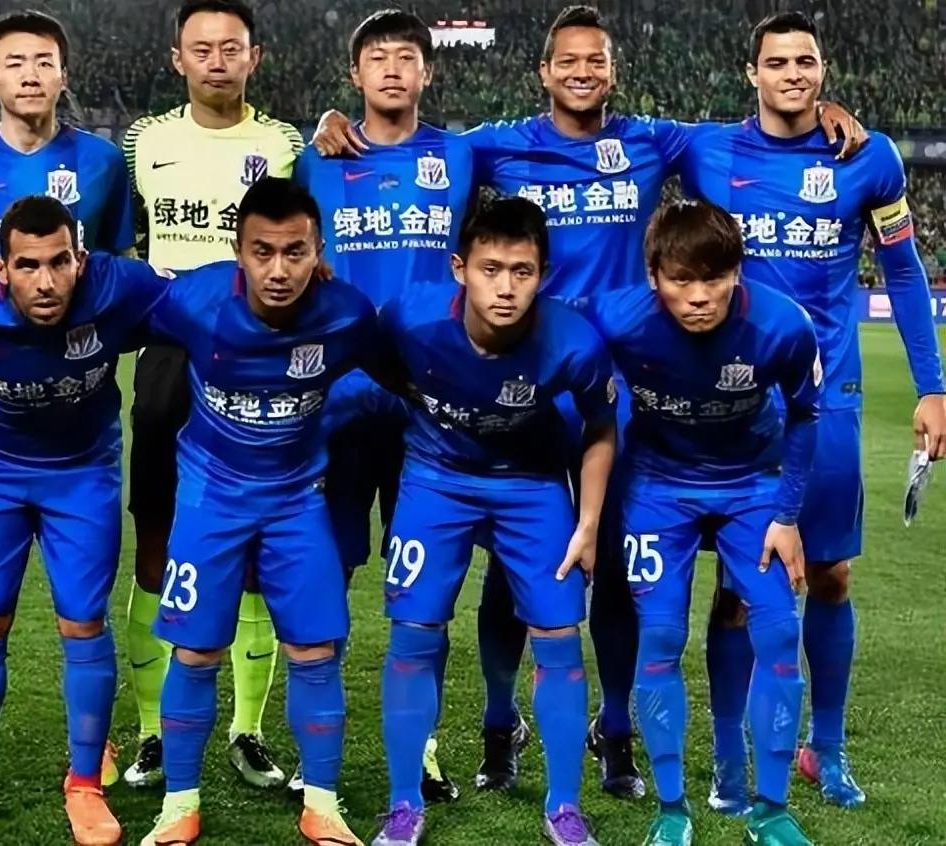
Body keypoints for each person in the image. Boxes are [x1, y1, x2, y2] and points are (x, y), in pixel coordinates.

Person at [312, 4, 865, 801]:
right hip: (531, 380)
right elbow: (409, 141)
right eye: (567, 60)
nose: (581, 72)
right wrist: (335, 123)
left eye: (595, 60)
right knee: (518, 563)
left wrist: (821, 115)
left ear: (613, 70)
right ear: (543, 72)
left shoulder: (654, 142)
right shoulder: (495, 145)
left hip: (621, 389)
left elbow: (750, 130)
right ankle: (499, 723)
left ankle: (614, 729)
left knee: (612, 565)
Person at [678, 11, 946, 810]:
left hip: (830, 398)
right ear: (751, 73)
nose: (793, 74)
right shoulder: (706, 150)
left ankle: (824, 750)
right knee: (738, 584)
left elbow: (904, 273)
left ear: (823, 70)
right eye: (777, 62)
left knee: (830, 574)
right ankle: (728, 758)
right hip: (734, 400)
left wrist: (933, 386)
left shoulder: (869, 158)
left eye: (806, 61)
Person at [0, 197, 165, 845]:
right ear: (1, 269)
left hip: (82, 476)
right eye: (27, 265)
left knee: (83, 622)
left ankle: (85, 785)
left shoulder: (120, 287)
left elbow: (204, 302)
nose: (45, 282)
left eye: (59, 263)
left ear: (81, 259)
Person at [0, 9, 137, 789]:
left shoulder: (103, 162)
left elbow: (113, 269)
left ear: (63, 73)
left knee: (84, 605)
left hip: (79, 406)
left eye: (44, 61)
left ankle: (91, 742)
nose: (30, 75)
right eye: (14, 62)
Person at [371, 198, 613, 846]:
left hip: (531, 484)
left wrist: (588, 522)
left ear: (544, 275)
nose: (505, 287)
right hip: (435, 477)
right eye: (490, 269)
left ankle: (565, 809)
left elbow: (600, 428)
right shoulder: (411, 318)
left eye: (522, 271)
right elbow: (376, 368)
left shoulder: (574, 342)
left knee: (559, 636)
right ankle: (403, 805)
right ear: (460, 268)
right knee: (413, 632)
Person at [138, 178, 371, 846]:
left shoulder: (347, 314)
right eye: (262, 252)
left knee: (314, 647)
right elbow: (114, 311)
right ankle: (179, 804)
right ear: (238, 252)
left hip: (298, 498)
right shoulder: (195, 299)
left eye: (295, 252)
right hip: (210, 496)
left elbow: (401, 369)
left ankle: (321, 803)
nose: (278, 270)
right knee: (196, 649)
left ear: (319, 253)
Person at [583, 200, 819, 846]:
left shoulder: (782, 326)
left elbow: (805, 416)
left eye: (713, 279)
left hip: (752, 486)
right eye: (680, 280)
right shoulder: (616, 318)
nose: (698, 297)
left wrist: (787, 515)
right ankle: (672, 810)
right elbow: (554, 347)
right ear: (653, 276)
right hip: (658, 488)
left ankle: (771, 811)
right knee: (660, 634)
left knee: (779, 633)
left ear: (737, 272)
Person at [292, 7, 480, 803]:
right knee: (323, 576)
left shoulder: (462, 155)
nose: (393, 69)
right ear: (356, 75)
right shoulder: (316, 159)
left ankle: (423, 745)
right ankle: (316, 750)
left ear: (427, 72)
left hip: (428, 405)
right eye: (378, 58)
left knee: (426, 592)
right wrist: (320, 123)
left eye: (407, 57)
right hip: (336, 404)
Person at [120, 0, 301, 791]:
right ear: (178, 59)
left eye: (232, 47)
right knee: (156, 540)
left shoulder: (285, 145)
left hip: (260, 357)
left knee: (256, 547)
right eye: (202, 48)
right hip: (169, 355)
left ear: (254, 57)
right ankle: (152, 731)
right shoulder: (143, 143)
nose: (217, 60)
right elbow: (116, 240)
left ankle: (247, 729)